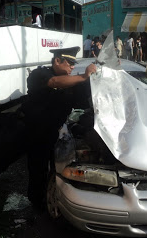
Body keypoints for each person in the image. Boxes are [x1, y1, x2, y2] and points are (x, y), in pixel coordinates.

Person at [21, 47, 96, 208]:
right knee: (35, 167)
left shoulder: (71, 83)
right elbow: (54, 82)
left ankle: (49, 197)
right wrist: (83, 76)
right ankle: (36, 203)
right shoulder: (40, 74)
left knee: (54, 169)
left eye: (73, 64)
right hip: (33, 131)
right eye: (69, 63)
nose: (72, 67)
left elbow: (85, 98)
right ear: (57, 61)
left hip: (54, 133)